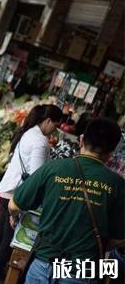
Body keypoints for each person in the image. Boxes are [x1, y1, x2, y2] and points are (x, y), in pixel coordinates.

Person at [9, 118, 124, 284]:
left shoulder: (54, 168)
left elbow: (14, 205)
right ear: (110, 153)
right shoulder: (118, 185)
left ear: (82, 140)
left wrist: (13, 216)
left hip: (44, 264)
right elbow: (120, 239)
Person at [0, 104, 63, 284]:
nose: (55, 130)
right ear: (48, 121)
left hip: (7, 190)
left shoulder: (29, 133)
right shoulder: (40, 142)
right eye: (55, 125)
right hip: (15, 195)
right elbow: (36, 176)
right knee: (5, 246)